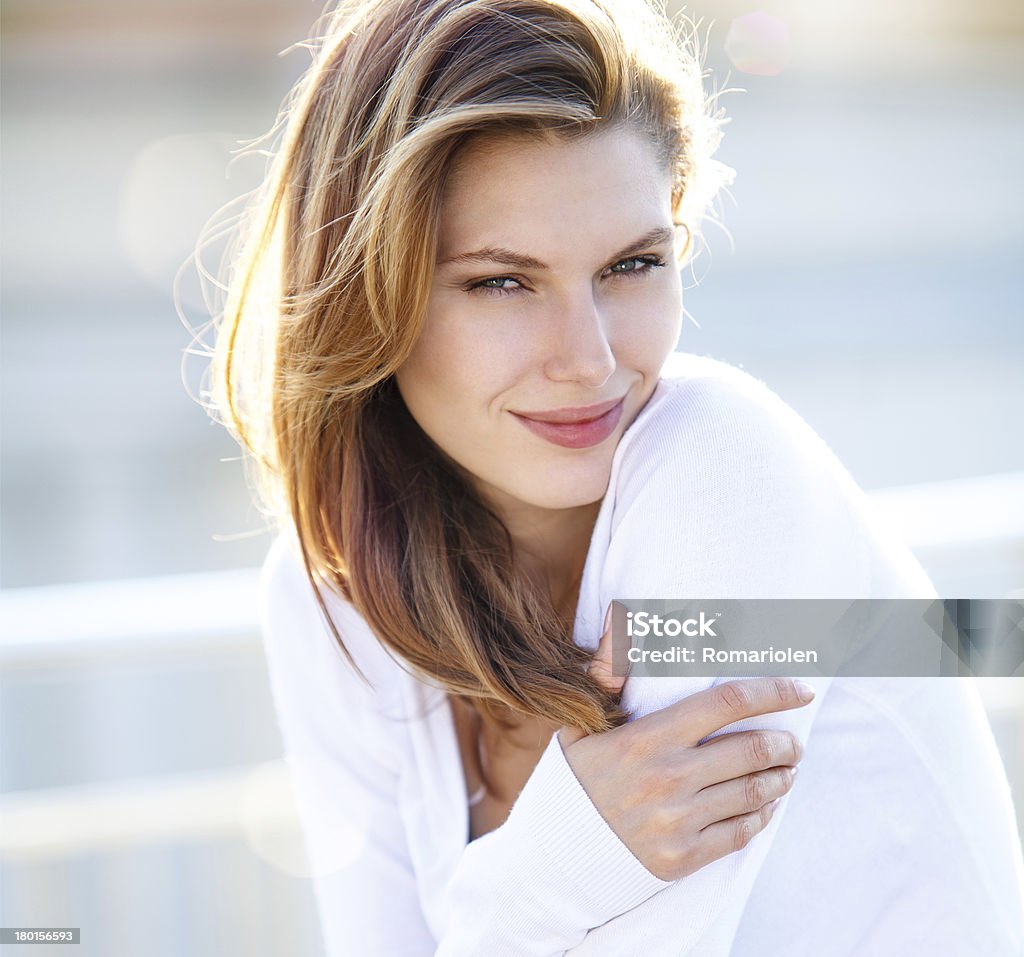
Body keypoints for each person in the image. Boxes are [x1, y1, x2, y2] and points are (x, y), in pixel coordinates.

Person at [204, 0, 1024, 952]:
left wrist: (533, 877)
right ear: (365, 298)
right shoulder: (331, 596)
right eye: (501, 281)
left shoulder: (724, 467)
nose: (589, 360)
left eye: (632, 264)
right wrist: (558, 865)